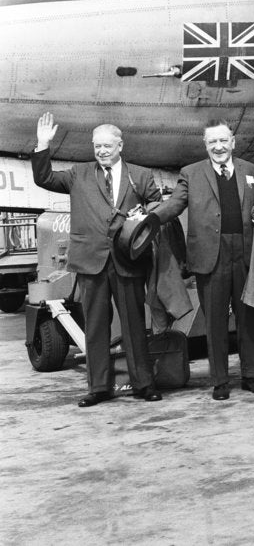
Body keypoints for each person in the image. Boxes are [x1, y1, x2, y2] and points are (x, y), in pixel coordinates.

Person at [31, 115, 163, 407]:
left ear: (120, 145)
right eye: (97, 146)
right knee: (95, 326)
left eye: (107, 145)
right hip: (91, 261)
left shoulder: (140, 175)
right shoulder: (78, 174)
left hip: (127, 261)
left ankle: (144, 383)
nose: (101, 151)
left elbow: (156, 205)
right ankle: (99, 387)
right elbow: (44, 178)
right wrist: (43, 144)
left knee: (134, 325)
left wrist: (146, 214)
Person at [154, 120, 254, 400]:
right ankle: (220, 381)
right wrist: (151, 217)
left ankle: (252, 375)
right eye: (212, 142)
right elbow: (175, 204)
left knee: (249, 317)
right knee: (215, 321)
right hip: (209, 256)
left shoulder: (249, 170)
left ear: (233, 142)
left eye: (223, 141)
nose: (218, 147)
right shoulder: (190, 173)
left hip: (245, 252)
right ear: (205, 145)